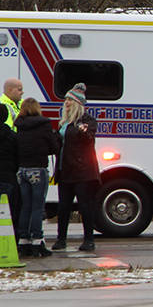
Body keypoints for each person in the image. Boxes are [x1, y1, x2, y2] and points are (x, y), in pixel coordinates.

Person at [52, 83, 100, 253]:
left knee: (85, 206)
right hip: (65, 170)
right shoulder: (63, 123)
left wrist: (83, 131)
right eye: (65, 99)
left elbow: (89, 139)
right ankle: (61, 239)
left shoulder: (87, 121)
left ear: (78, 103)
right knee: (63, 207)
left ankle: (89, 240)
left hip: (83, 171)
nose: (66, 103)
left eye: (70, 100)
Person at [15, 98, 60, 258]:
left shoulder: (19, 125)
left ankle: (23, 241)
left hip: (22, 171)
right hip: (38, 170)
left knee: (25, 206)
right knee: (37, 207)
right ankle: (37, 242)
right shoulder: (44, 125)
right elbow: (54, 147)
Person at [0, 77, 22, 224]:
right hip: (8, 159)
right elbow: (8, 128)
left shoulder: (17, 105)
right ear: (9, 90)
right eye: (19, 89)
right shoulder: (5, 106)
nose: (22, 92)